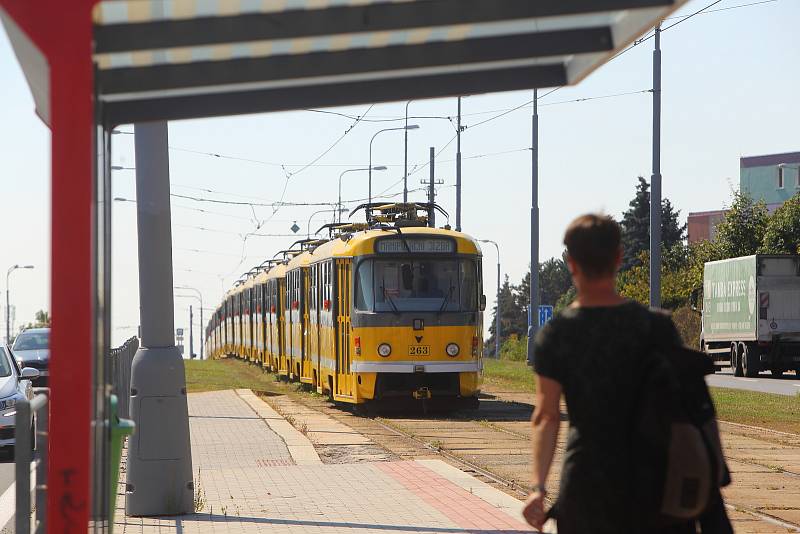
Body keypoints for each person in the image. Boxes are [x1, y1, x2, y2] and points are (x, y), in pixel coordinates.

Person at [521, 214, 731, 534]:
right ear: (618, 258)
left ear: (570, 263)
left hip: (587, 489)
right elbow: (688, 407)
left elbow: (546, 417)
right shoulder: (656, 327)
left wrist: (538, 488)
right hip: (658, 489)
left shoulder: (557, 335)